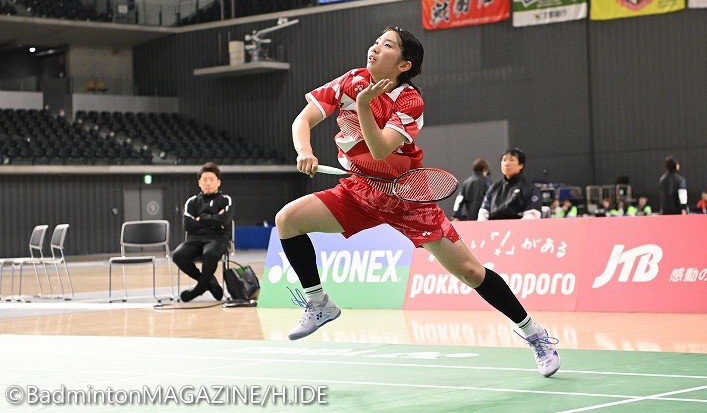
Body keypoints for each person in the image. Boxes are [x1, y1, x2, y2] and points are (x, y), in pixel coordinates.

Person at [274, 27, 560, 377]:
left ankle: (534, 334)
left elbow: (380, 149)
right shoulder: (352, 80)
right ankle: (319, 303)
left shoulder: (410, 101)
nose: (375, 48)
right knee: (288, 220)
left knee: (471, 272)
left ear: (404, 64)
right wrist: (304, 150)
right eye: (376, 41)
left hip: (406, 195)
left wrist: (362, 105)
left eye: (387, 45)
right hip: (361, 189)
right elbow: (304, 118)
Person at [173, 162, 233, 302]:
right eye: (204, 179)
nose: (208, 183)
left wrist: (201, 218)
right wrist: (214, 219)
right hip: (195, 240)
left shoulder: (225, 200)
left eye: (211, 179)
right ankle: (209, 282)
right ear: (199, 182)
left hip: (217, 240)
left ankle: (198, 289)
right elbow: (188, 225)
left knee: (209, 253)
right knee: (177, 255)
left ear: (218, 182)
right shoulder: (192, 202)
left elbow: (224, 220)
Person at [477, 148, 543, 221]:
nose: (507, 163)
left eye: (511, 160)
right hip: (493, 227)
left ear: (521, 165)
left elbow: (532, 216)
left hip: (518, 227)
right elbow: (483, 214)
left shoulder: (530, 189)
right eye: (504, 160)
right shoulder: (494, 188)